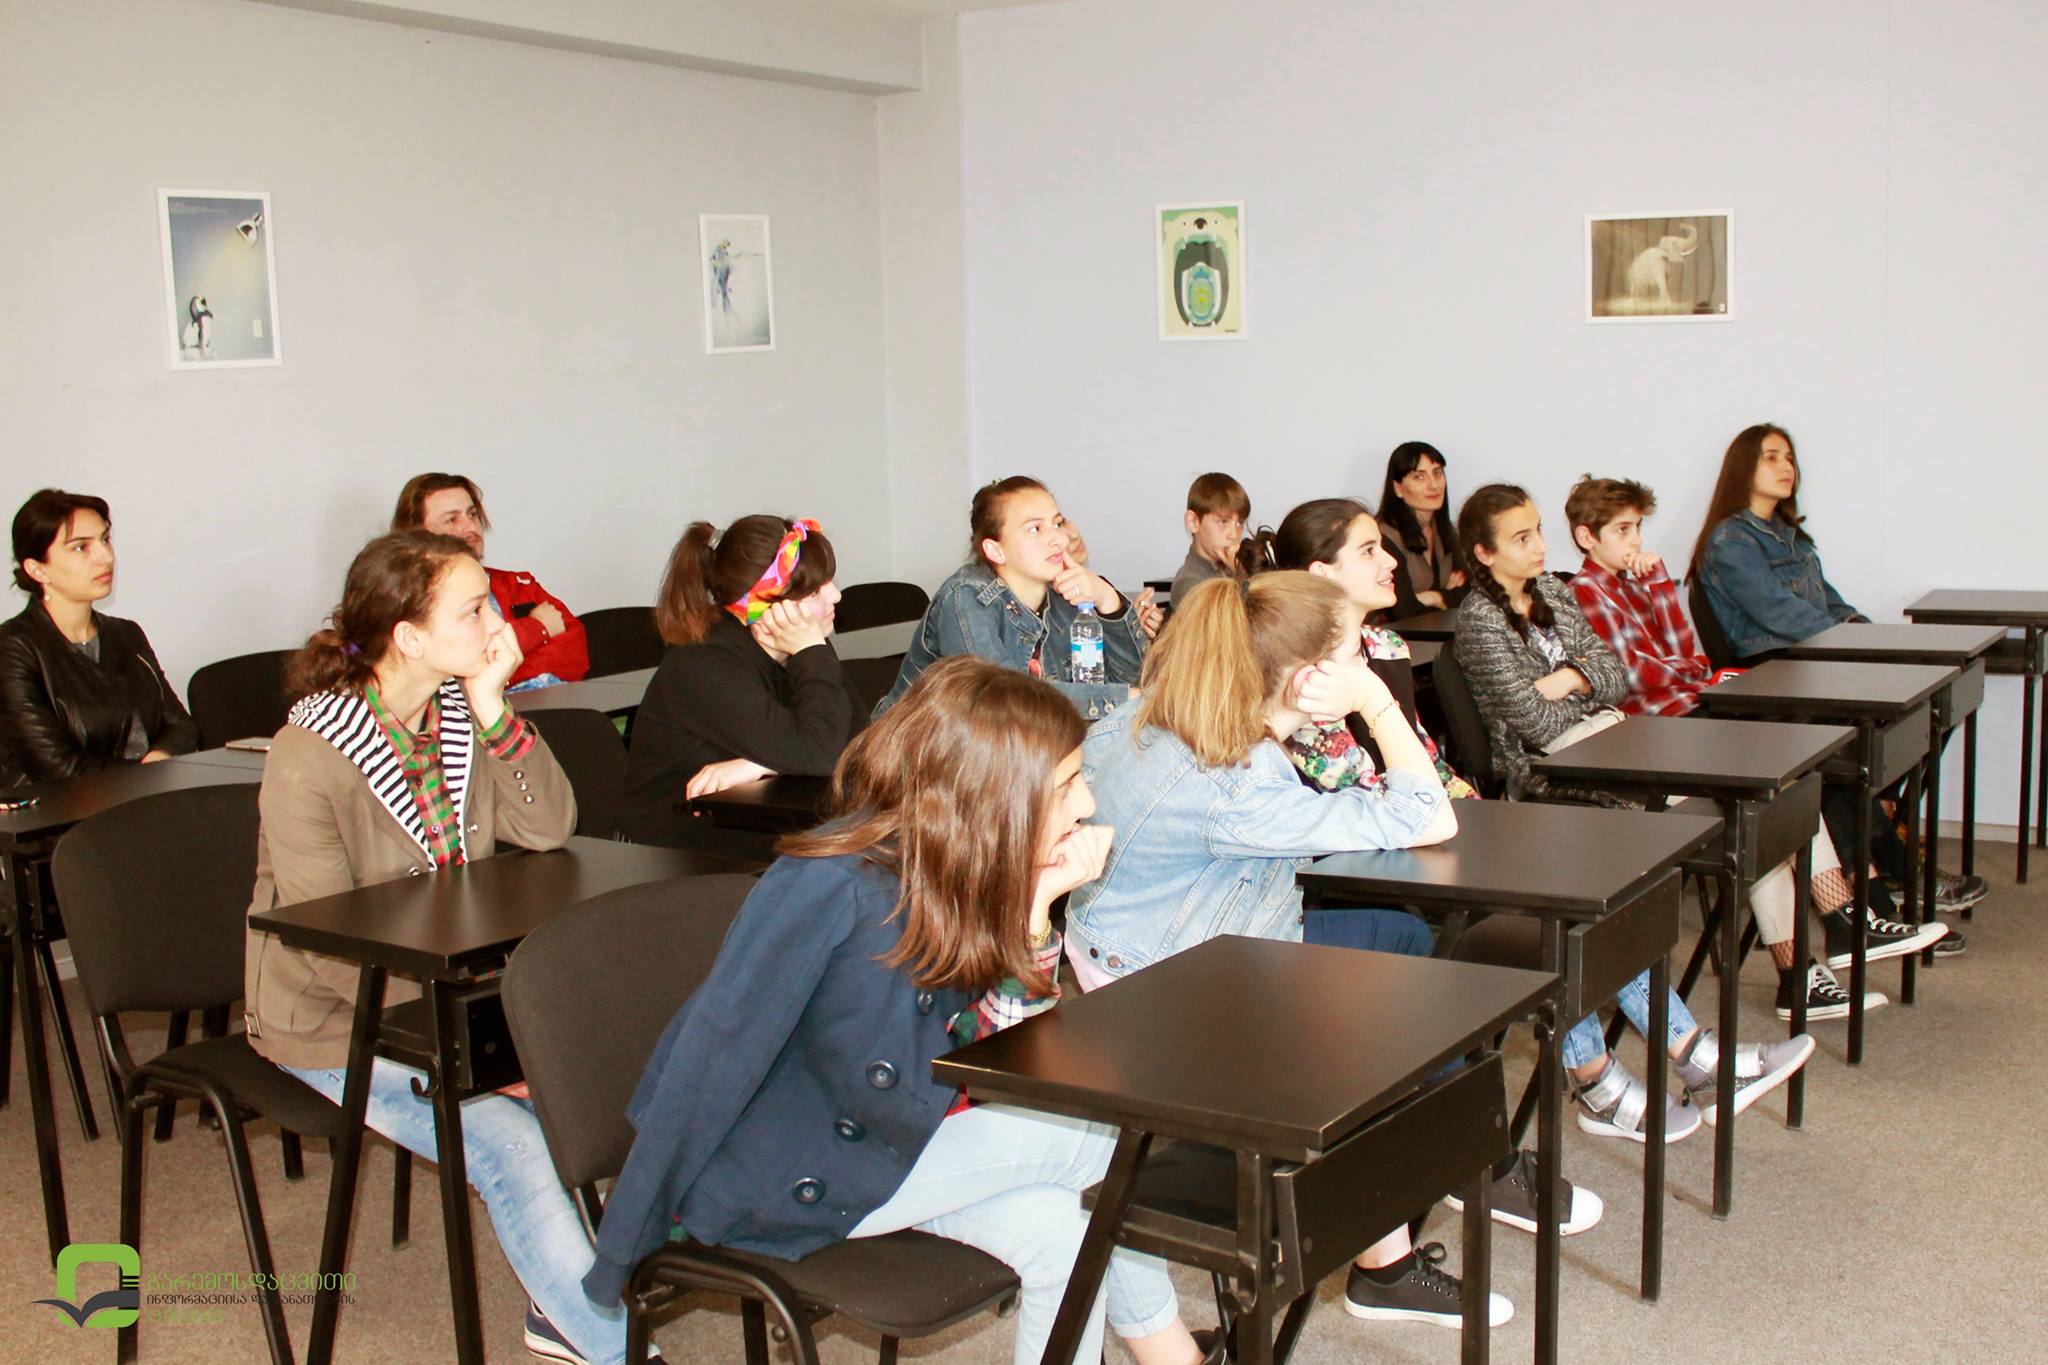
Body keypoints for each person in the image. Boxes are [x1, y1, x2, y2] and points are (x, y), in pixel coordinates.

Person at [588, 657, 1221, 1365]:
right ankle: (1174, 1358)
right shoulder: (830, 886)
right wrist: (633, 1232)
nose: (1086, 804)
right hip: (789, 1170)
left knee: (1062, 1231)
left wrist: (1036, 912)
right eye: (1067, 784)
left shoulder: (960, 862)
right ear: (992, 794)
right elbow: (715, 1051)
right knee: (1096, 1134)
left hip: (901, 1136)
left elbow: (1002, 1062)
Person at [1069, 571, 1539, 1330]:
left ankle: (1435, 1174)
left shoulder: (1165, 711)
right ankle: (1408, 1230)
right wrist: (1377, 703)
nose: (1364, 666)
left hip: (1138, 948)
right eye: (1352, 658)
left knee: (1399, 940)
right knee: (1361, 1033)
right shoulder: (1237, 779)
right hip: (1172, 988)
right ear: (1310, 678)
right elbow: (1429, 815)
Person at [242, 531, 632, 1365]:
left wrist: (493, 702)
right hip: (341, 1020)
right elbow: (329, 948)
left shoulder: (458, 712)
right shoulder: (311, 753)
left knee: (623, 1073)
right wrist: (476, 1053)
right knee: (513, 1140)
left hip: (461, 991)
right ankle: (618, 1349)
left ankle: (561, 1305)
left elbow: (548, 826)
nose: (499, 625)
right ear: (409, 637)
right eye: (476, 609)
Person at [1455, 484, 1813, 1140]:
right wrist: (1583, 686)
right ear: (1483, 552)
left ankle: (1689, 1060)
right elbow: (1532, 723)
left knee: (1635, 888)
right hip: (1549, 780)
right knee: (1611, 901)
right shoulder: (1478, 621)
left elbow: (1614, 674)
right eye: (1521, 538)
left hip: (1607, 744)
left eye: (1539, 531)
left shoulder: (1554, 591)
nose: (1539, 547)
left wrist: (1570, 678)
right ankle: (1692, 1060)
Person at [1566, 475, 1944, 1018]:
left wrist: (1661, 586)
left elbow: (1687, 655)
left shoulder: (1634, 585)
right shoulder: (1585, 593)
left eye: (1638, 528)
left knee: (1775, 801)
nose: (1635, 541)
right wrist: (1694, 678)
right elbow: (1633, 676)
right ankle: (1831, 935)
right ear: (1586, 537)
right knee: (1771, 796)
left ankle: (1816, 955)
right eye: (1622, 530)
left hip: (1688, 722)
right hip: (1657, 741)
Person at [1689, 427, 1986, 921]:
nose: (1786, 467)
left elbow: (1829, 603)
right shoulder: (1730, 541)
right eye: (1771, 457)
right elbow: (1780, 614)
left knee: (1914, 714)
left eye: (1790, 458)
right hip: (1771, 679)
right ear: (1743, 467)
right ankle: (1890, 884)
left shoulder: (1792, 537)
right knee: (1840, 761)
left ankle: (1892, 870)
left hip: (1815, 668)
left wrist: (1866, 633)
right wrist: (1855, 646)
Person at [617, 517, 851, 854]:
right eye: (815, 590)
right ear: (765, 606)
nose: (836, 595)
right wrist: (791, 757)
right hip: (672, 851)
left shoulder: (804, 644)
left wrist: (760, 764)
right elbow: (823, 752)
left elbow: (859, 740)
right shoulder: (704, 665)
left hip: (756, 823)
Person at [875, 477, 1146, 720]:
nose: (1058, 539)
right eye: (1035, 529)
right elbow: (998, 703)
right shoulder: (967, 597)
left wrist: (1108, 600)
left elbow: (1131, 679)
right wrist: (1124, 698)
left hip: (1033, 748)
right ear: (996, 551)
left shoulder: (1063, 594)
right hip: (924, 753)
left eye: (1057, 523)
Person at [1, 488, 197, 786]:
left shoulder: (126, 634)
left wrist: (160, 757)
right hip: (64, 811)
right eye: (81, 547)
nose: (105, 556)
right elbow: (56, 766)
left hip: (144, 797)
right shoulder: (13, 648)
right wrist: (145, 776)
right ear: (37, 570)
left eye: (105, 540)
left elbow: (181, 726)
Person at [392, 472, 589, 688]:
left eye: (473, 514)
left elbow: (576, 647)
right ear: (419, 533)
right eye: (452, 519)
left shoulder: (517, 583)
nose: (470, 527)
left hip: (551, 703)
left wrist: (500, 673)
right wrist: (537, 628)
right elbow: (452, 672)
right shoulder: (406, 599)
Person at [1376, 441, 1467, 617]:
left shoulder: (1444, 530)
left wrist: (1433, 597)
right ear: (1398, 488)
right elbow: (1402, 610)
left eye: (1437, 473)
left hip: (1436, 630)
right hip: (1395, 632)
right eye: (1419, 477)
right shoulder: (1384, 537)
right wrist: (1446, 597)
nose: (1433, 485)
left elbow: (1470, 593)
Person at [1167, 472, 1251, 604]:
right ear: (1193, 522)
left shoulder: (1229, 569)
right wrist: (1240, 577)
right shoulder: (1191, 584)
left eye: (1239, 523)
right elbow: (1235, 615)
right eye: (1223, 522)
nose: (1234, 535)